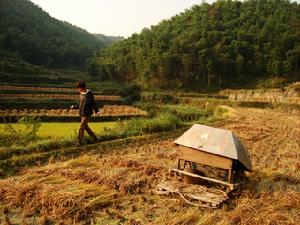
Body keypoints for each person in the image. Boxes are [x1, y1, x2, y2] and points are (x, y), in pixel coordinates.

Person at [71, 81, 101, 146]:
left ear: (82, 87)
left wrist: (97, 111)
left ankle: (79, 142)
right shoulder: (80, 94)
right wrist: (74, 107)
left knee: (81, 126)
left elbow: (93, 103)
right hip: (81, 113)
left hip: (87, 113)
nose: (78, 89)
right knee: (85, 127)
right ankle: (95, 138)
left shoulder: (89, 94)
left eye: (78, 88)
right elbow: (80, 104)